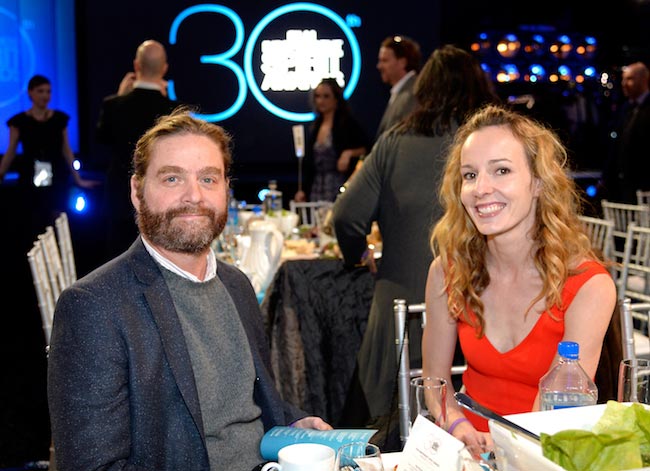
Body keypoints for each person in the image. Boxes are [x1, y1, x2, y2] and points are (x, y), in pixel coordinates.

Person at [48, 108, 331, 470]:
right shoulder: (94, 306)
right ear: (137, 191)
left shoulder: (236, 285)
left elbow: (247, 405)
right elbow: (93, 466)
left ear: (227, 188)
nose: (194, 196)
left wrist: (292, 424)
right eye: (172, 179)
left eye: (209, 179)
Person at [422, 104, 616, 454]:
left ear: (539, 183)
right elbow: (435, 383)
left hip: (542, 452)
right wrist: (457, 424)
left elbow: (559, 414)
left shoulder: (588, 285)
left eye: (501, 170)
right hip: (467, 454)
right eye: (469, 175)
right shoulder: (447, 271)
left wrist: (503, 448)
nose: (481, 188)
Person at [332, 45, 499, 424]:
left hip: (403, 314)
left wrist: (357, 254)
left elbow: (346, 216)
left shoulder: (395, 141)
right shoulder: (495, 147)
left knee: (376, 423)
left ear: (423, 90)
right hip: (484, 312)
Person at [96, 39, 178, 261]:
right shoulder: (172, 111)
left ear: (136, 66)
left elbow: (101, 141)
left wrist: (120, 96)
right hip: (161, 202)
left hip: (119, 200)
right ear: (164, 69)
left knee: (116, 264)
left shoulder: (113, 106)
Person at [0, 75, 99, 232]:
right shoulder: (18, 121)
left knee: (57, 220)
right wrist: (1, 174)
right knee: (32, 221)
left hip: (56, 177)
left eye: (48, 91)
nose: (45, 96)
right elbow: (11, 151)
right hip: (29, 178)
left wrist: (77, 178)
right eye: (40, 91)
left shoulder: (59, 119)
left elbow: (66, 150)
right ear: (30, 93)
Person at [294, 78, 368, 203]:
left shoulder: (347, 124)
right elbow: (309, 165)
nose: (321, 101)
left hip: (339, 187)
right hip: (316, 188)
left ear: (336, 99)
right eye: (317, 96)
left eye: (326, 96)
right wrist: (303, 191)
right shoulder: (316, 126)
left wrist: (348, 153)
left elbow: (368, 147)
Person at [601, 61, 650, 203]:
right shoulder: (625, 109)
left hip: (645, 184)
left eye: (629, 79)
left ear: (644, 79)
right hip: (624, 185)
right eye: (623, 79)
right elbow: (615, 146)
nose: (624, 84)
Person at [374, 35, 421, 141]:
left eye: (384, 61)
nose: (379, 66)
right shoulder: (403, 92)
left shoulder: (412, 95)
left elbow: (404, 140)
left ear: (402, 62)